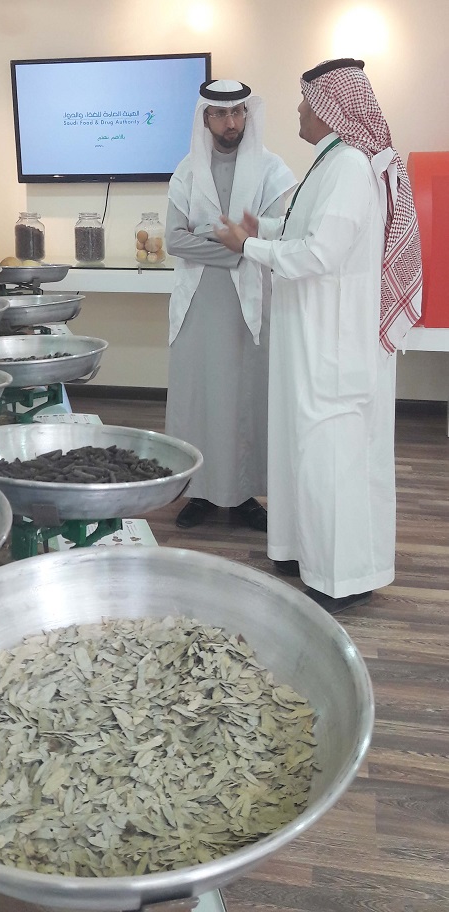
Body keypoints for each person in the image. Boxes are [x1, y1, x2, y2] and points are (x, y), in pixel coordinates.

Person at [216, 58, 422, 613]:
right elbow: (307, 230)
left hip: (334, 340)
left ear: (333, 110)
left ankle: (343, 578)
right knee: (303, 450)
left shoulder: (350, 166)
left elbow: (319, 254)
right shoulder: (332, 161)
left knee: (332, 458)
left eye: (307, 104)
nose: (300, 112)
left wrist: (248, 246)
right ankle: (298, 550)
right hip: (310, 334)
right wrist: (265, 230)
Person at [165, 79, 296, 532]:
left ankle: (243, 494)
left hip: (250, 303)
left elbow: (278, 234)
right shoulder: (187, 171)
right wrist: (238, 247)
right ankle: (198, 491)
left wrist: (226, 240)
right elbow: (174, 240)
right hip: (198, 303)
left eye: (238, 112)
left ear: (247, 115)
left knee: (245, 399)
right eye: (220, 114)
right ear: (206, 118)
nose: (230, 122)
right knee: (198, 397)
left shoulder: (271, 170)